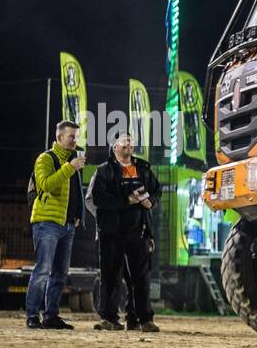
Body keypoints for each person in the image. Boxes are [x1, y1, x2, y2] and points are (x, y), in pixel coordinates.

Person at [87, 135, 161, 332]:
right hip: (111, 233)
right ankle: (109, 319)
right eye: (124, 142)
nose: (129, 144)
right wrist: (127, 200)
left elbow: (156, 191)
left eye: (131, 142)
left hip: (138, 232)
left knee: (140, 278)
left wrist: (150, 202)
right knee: (110, 277)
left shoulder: (144, 169)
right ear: (114, 147)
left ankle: (142, 320)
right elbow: (99, 199)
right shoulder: (104, 171)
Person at [26, 120, 86, 329]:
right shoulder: (46, 158)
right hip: (47, 223)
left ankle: (51, 316)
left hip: (67, 225)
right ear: (59, 137)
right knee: (42, 271)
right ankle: (32, 316)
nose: (74, 141)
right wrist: (70, 167)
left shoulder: (73, 160)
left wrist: (78, 215)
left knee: (60, 274)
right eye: (71, 137)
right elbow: (46, 185)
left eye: (76, 137)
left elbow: (77, 191)